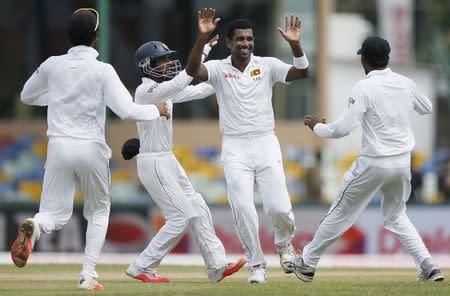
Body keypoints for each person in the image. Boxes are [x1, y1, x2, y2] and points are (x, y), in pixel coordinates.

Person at [10, 8, 170, 291]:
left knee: (54, 213)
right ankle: (87, 275)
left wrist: (59, 96)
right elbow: (126, 110)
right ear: (96, 37)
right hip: (91, 147)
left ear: (69, 36)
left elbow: (27, 95)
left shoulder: (52, 65)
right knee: (98, 212)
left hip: (58, 145)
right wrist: (155, 110)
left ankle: (35, 226)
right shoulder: (103, 70)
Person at [295, 36, 444, 283]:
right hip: (402, 163)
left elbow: (343, 129)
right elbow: (426, 107)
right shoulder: (404, 83)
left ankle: (308, 264)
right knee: (396, 216)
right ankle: (428, 265)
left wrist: (318, 128)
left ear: (364, 59)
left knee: (340, 211)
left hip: (375, 162)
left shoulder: (363, 87)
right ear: (387, 58)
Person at [122, 8, 246, 283]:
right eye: (162, 61)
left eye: (168, 59)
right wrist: (200, 47)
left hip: (167, 160)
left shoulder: (165, 89)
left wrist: (227, 74)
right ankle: (142, 266)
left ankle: (216, 266)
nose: (168, 64)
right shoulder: (145, 90)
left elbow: (200, 87)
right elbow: (184, 78)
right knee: (181, 217)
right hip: (153, 162)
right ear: (146, 66)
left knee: (198, 206)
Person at [194, 15, 310, 283]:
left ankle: (284, 245)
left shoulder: (267, 65)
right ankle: (257, 264)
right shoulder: (218, 69)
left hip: (265, 141)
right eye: (239, 39)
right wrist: (201, 39)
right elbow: (192, 72)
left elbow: (303, 72)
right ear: (229, 42)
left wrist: (295, 45)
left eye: (249, 39)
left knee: (279, 207)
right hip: (234, 146)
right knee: (244, 208)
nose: (245, 44)